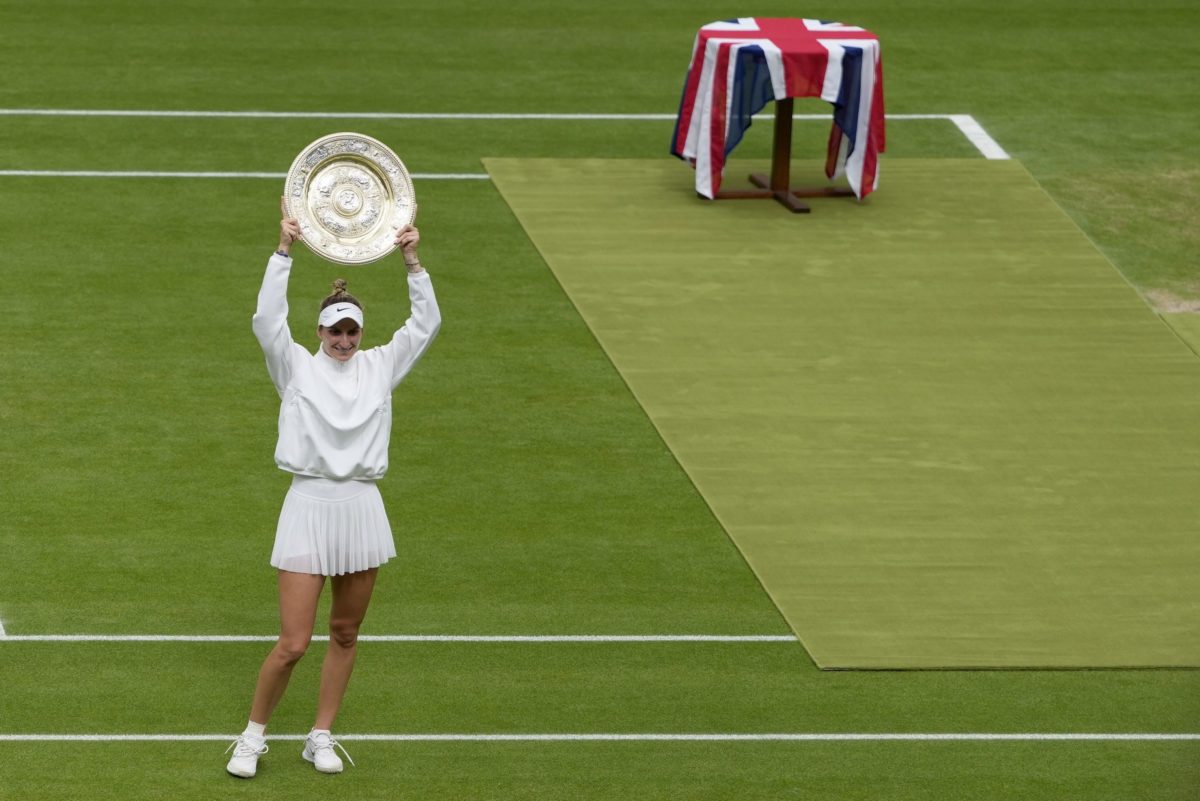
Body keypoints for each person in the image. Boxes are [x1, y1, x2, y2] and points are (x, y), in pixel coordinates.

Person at [225, 200, 441, 778]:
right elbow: (265, 322)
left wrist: (412, 261)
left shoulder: (380, 365)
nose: (344, 338)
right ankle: (251, 737)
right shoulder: (293, 366)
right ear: (318, 331)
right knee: (293, 642)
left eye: (351, 330)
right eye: (334, 329)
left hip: (362, 509)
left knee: (344, 632)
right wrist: (283, 251)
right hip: (308, 504)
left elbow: (426, 326)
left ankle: (320, 734)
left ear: (359, 332)